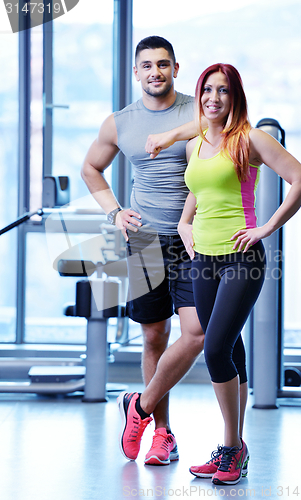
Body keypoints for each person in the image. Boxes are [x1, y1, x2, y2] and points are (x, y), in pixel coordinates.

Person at [146, 63, 301, 484]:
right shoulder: (197, 142)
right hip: (202, 258)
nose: (213, 98)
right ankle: (231, 449)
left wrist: (266, 227)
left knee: (215, 349)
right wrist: (185, 224)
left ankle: (234, 450)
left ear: (234, 96)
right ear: (199, 94)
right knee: (231, 348)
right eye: (207, 90)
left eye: (222, 91)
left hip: (242, 258)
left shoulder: (251, 139)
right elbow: (199, 191)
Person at [81, 36, 205, 466]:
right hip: (146, 240)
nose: (156, 72)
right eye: (147, 65)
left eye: (163, 64)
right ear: (136, 72)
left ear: (176, 68)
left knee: (197, 332)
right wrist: (115, 211)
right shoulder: (120, 122)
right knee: (153, 335)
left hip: (196, 240)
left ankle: (140, 405)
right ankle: (162, 434)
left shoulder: (198, 110)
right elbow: (90, 168)